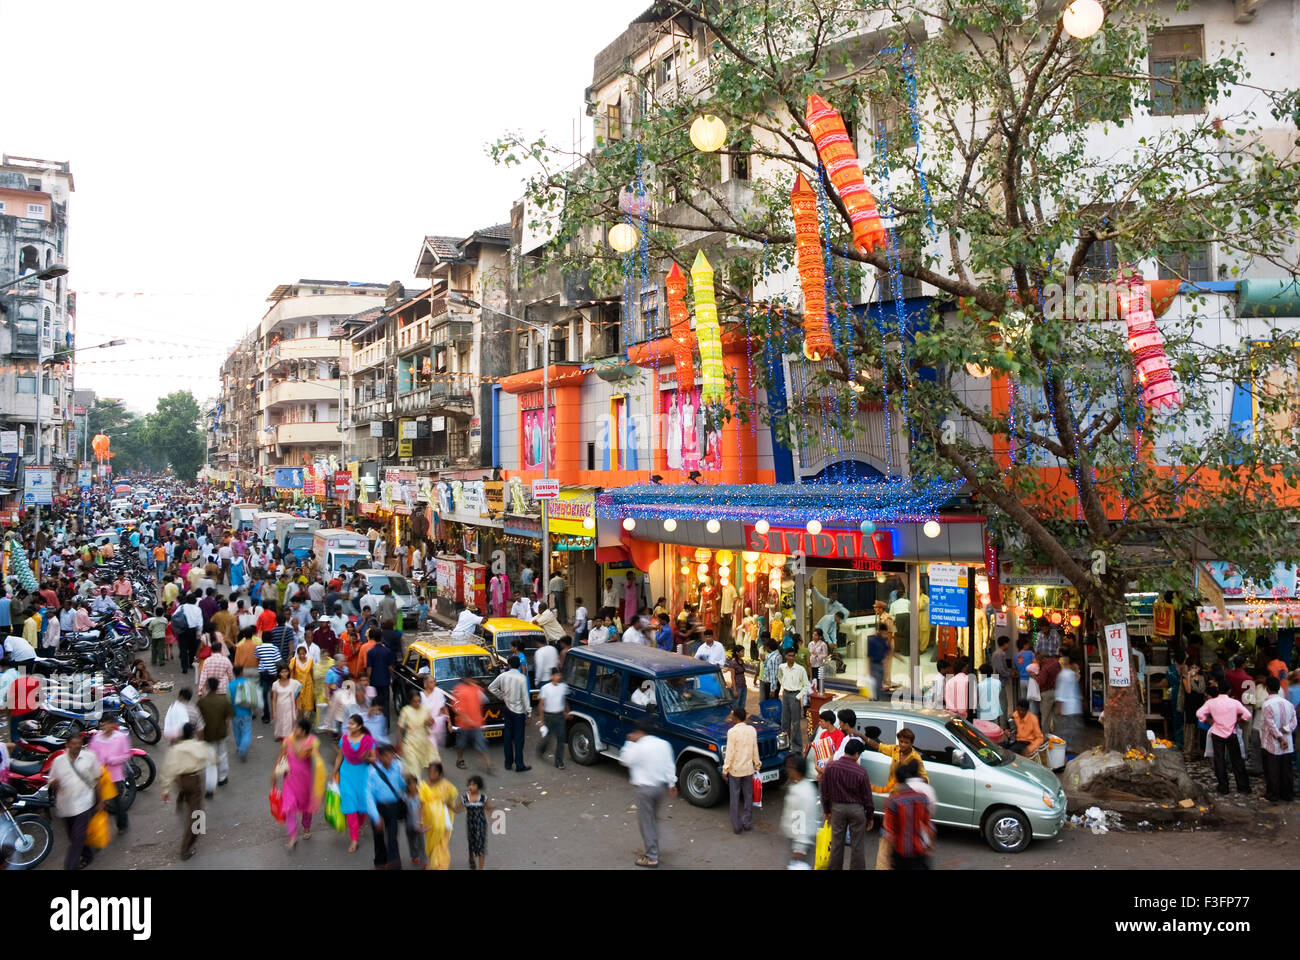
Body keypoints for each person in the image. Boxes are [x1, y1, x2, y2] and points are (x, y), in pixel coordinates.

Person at [619, 720, 678, 868]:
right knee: (652, 819)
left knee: (646, 822)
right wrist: (672, 784)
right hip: (661, 787)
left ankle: (652, 857)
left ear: (639, 732)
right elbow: (670, 765)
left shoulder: (639, 746)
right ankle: (655, 847)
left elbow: (625, 760)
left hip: (645, 789)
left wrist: (629, 742)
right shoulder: (664, 744)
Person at [159, 722, 214, 861]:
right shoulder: (198, 746)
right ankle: (187, 847)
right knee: (197, 813)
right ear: (193, 733)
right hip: (194, 779)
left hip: (181, 780)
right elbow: (212, 756)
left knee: (188, 796)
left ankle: (181, 800)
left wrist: (165, 790)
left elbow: (168, 770)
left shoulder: (176, 749)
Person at [820, 739, 875, 870]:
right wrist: (870, 816)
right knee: (857, 846)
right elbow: (867, 797)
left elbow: (825, 791)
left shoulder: (831, 767)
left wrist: (826, 810)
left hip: (837, 809)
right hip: (857, 810)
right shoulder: (861, 771)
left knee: (836, 844)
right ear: (856, 754)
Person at [276, 717, 326, 850]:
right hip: (289, 780)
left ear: (304, 731)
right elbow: (281, 757)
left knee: (306, 805)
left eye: (297, 728)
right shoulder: (288, 741)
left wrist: (320, 785)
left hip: (305, 781)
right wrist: (275, 774)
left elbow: (319, 762)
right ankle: (292, 836)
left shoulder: (313, 742)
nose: (294, 730)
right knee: (290, 806)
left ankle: (306, 827)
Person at [1197, 680, 1252, 795]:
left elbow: (1199, 713)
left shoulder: (1211, 702)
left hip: (1217, 732)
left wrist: (1207, 720)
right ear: (1229, 690)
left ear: (1218, 690)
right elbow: (1248, 714)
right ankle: (1243, 786)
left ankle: (1223, 787)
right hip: (1231, 732)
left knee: (1219, 760)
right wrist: (1238, 720)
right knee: (1237, 760)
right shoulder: (1234, 703)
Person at [332, 713, 375, 853]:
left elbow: (374, 759)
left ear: (360, 726)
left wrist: (367, 758)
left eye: (352, 724)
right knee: (350, 806)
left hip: (363, 776)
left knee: (362, 807)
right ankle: (354, 839)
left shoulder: (368, 740)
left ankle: (360, 825)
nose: (349, 726)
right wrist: (334, 772)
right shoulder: (344, 739)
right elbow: (340, 756)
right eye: (348, 723)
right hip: (346, 775)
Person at [884, 758, 934, 870]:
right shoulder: (922, 798)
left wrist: (888, 856)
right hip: (918, 852)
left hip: (900, 853)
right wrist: (930, 845)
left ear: (896, 780)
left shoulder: (894, 802)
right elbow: (929, 826)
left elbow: (889, 833)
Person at [364, 743, 408, 869]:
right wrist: (376, 817)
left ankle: (394, 863)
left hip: (393, 807)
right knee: (378, 836)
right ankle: (380, 862)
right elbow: (369, 796)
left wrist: (408, 786)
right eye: (387, 757)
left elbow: (400, 783)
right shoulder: (372, 772)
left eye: (392, 756)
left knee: (392, 836)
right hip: (378, 808)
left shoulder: (397, 767)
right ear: (381, 757)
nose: (390, 759)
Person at [88, 717, 132, 832]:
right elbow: (91, 754)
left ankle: (122, 824)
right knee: (96, 801)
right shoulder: (97, 738)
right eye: (103, 724)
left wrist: (113, 760)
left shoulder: (121, 737)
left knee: (116, 800)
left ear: (113, 725)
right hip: (99, 775)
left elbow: (126, 755)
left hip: (114, 775)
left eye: (106, 724)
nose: (103, 727)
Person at [721, 706, 760, 834]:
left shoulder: (732, 732)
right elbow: (755, 750)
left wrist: (725, 770)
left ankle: (737, 825)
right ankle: (747, 822)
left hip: (735, 771)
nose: (731, 719)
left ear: (736, 718)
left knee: (735, 798)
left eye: (733, 717)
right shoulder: (752, 730)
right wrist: (757, 764)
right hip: (748, 769)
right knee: (748, 796)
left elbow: (730, 753)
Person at [489, 656, 532, 773]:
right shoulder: (522, 678)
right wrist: (529, 712)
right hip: (519, 712)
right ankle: (519, 764)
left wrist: (502, 696)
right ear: (518, 665)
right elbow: (525, 697)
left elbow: (491, 687)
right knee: (519, 739)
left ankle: (508, 763)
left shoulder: (503, 676)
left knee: (507, 737)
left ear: (509, 665)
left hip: (507, 709)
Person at [1259, 674, 1297, 802]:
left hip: (1272, 742)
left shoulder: (1267, 704)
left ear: (1267, 689)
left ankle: (1273, 794)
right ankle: (1287, 794)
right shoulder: (1288, 704)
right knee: (1286, 770)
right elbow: (1294, 722)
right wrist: (1285, 731)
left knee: (1272, 770)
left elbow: (1270, 725)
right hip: (1287, 741)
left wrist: (1279, 737)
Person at [416, 761, 461, 870]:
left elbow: (451, 799)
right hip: (430, 822)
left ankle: (440, 866)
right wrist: (419, 822)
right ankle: (434, 864)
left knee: (442, 846)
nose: (432, 774)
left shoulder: (446, 785)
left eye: (435, 772)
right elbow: (421, 805)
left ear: (439, 773)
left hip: (444, 822)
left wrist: (454, 807)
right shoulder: (422, 785)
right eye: (430, 771)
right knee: (432, 846)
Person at [197, 676, 234, 796]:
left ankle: (210, 787)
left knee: (210, 760)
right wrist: (225, 728)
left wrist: (199, 736)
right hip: (221, 733)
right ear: (218, 686)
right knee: (222, 754)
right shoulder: (223, 701)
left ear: (207, 687)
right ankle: (222, 778)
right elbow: (228, 719)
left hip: (208, 734)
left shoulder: (201, 702)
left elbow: (199, 721)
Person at [453, 678, 492, 773]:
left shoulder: (476, 688)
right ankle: (459, 759)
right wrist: (469, 720)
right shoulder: (459, 690)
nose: (475, 681)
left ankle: (488, 765)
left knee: (481, 743)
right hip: (464, 724)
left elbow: (484, 700)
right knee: (461, 744)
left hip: (476, 723)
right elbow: (458, 709)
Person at [398, 687, 437, 777]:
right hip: (410, 744)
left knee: (420, 768)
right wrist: (400, 746)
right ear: (410, 701)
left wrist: (429, 722)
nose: (417, 703)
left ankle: (412, 786)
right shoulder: (406, 711)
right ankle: (417, 788)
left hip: (423, 743)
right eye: (414, 701)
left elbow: (431, 722)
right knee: (414, 768)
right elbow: (399, 729)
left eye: (419, 700)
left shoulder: (425, 710)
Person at [535, 668, 570, 768]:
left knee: (561, 739)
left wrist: (566, 712)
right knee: (548, 738)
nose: (559, 677)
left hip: (560, 716)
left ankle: (559, 762)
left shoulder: (562, 687)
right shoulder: (545, 688)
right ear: (552, 676)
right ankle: (541, 750)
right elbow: (541, 704)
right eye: (557, 675)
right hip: (549, 716)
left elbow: (563, 700)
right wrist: (541, 720)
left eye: (560, 675)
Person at [778, 648, 810, 754]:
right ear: (785, 656)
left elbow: (807, 685)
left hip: (795, 694)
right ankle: (785, 745)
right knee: (784, 721)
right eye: (789, 655)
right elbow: (779, 677)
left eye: (793, 655)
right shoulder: (782, 667)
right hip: (786, 693)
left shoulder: (800, 669)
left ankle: (797, 747)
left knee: (796, 723)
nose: (792, 658)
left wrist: (798, 696)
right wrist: (784, 684)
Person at [461, 774, 491, 870]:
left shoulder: (483, 798)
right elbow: (457, 809)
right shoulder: (465, 798)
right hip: (470, 824)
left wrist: (491, 817)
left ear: (479, 786)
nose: (470, 786)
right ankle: (471, 858)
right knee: (471, 842)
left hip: (481, 825)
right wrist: (449, 805)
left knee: (481, 847)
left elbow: (488, 808)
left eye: (473, 785)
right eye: (469, 784)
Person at [229, 666, 258, 761]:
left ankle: (239, 747)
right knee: (246, 731)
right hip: (246, 712)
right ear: (242, 672)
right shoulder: (249, 683)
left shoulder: (230, 685)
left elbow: (228, 701)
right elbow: (254, 698)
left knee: (237, 732)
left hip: (234, 713)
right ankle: (243, 750)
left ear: (234, 673)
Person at [270, 664, 301, 742]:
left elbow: (298, 696)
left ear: (289, 672)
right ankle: (279, 734)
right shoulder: (275, 684)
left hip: (290, 707)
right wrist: (274, 711)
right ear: (279, 673)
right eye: (282, 672)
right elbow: (274, 699)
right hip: (279, 707)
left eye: (286, 672)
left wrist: (298, 708)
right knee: (280, 722)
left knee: (289, 723)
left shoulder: (294, 683)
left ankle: (287, 738)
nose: (284, 674)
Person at [867, 620, 890, 699]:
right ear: (879, 631)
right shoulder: (872, 640)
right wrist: (868, 669)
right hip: (874, 665)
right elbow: (869, 656)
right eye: (884, 633)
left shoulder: (883, 641)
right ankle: (875, 700)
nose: (886, 635)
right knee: (876, 685)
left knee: (879, 684)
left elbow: (888, 650)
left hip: (880, 664)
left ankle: (877, 699)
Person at [725, 645, 747, 711]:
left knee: (742, 704)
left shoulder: (742, 661)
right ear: (737, 653)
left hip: (743, 686)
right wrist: (734, 690)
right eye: (742, 651)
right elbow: (732, 677)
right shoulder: (733, 663)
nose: (743, 653)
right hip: (737, 687)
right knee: (736, 705)